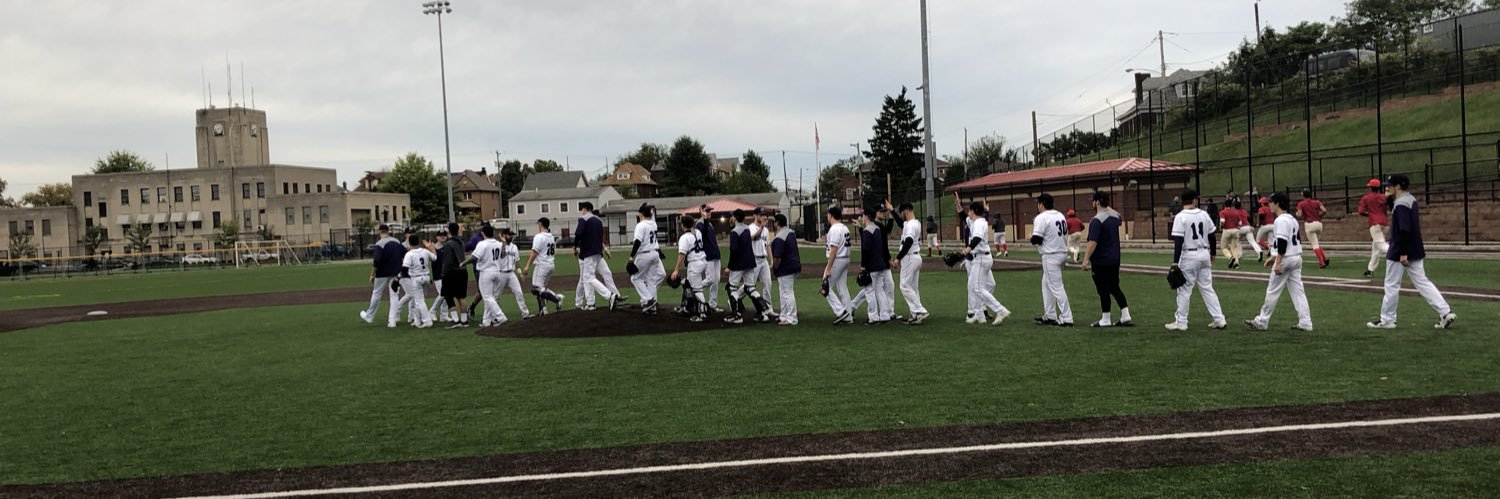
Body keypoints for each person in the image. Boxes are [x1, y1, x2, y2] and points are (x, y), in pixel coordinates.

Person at [1367, 175, 1457, 330]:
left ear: (1398, 187)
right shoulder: (1410, 200)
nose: (1387, 188)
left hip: (1400, 249)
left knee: (1391, 284)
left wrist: (1402, 252)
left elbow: (1403, 229)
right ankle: (1445, 311)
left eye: (1390, 185)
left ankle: (1387, 319)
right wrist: (1389, 200)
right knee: (1422, 282)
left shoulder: (1401, 204)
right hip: (1414, 248)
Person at [1243, 192, 1312, 331]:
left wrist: (1278, 261)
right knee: (1298, 291)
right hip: (1296, 257)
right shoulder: (1292, 219)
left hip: (1286, 258)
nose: (1269, 204)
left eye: (1271, 202)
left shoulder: (1280, 220)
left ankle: (1262, 321)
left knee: (1273, 290)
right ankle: (1305, 322)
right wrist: (1273, 257)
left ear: (1278, 203)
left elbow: (1282, 242)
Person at [1166, 189, 1227, 331]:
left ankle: (1181, 322)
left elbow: (1179, 241)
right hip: (1204, 253)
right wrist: (1213, 253)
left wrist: (1175, 261)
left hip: (1189, 255)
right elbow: (1212, 235)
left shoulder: (1180, 217)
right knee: (1207, 288)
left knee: (1184, 289)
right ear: (1193, 200)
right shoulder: (1204, 214)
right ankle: (1219, 319)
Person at [1081, 191, 1132, 328]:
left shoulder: (1096, 220)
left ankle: (1106, 318)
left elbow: (1093, 242)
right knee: (1114, 287)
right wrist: (1107, 206)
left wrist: (1086, 259)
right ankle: (1125, 314)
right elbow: (1119, 217)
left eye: (1094, 201)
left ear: (1097, 202)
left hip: (1101, 260)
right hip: (1115, 259)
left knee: (1102, 289)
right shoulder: (1114, 217)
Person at [962, 201, 1011, 325]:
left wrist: (968, 248)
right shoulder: (976, 221)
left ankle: (1000, 310)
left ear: (973, 211)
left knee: (977, 288)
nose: (968, 212)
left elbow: (977, 238)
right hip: (983, 257)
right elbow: (963, 217)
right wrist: (958, 205)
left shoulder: (978, 223)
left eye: (969, 210)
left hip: (981, 258)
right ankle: (980, 316)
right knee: (974, 287)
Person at [1031, 194, 1074, 327]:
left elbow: (1036, 239)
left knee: (1056, 287)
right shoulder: (1060, 215)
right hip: (1061, 253)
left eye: (1038, 203)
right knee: (1046, 283)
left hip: (1051, 255)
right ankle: (1050, 315)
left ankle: (1067, 318)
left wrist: (1030, 236)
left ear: (1042, 204)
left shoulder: (1041, 217)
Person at [724, 209, 773, 324]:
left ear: (735, 218)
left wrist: (730, 266)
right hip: (750, 262)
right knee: (750, 288)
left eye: (732, 216)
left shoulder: (735, 232)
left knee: (731, 287)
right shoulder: (747, 229)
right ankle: (762, 313)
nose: (731, 218)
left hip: (739, 264)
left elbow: (734, 250)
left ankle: (737, 315)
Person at [848, 208, 894, 324]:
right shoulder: (877, 229)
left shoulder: (868, 231)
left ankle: (873, 317)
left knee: (869, 291)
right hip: (881, 265)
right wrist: (859, 227)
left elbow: (865, 250)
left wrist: (863, 266)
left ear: (867, 216)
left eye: (863, 216)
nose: (862, 218)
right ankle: (884, 316)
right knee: (880, 291)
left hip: (872, 266)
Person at [573, 202, 622, 311]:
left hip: (588, 252)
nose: (582, 211)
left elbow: (578, 234)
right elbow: (600, 237)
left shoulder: (583, 219)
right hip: (598, 253)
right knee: (607, 273)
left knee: (588, 277)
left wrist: (574, 247)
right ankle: (592, 303)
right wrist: (604, 249)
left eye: (582, 209)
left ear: (585, 209)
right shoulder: (599, 221)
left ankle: (610, 296)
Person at [461, 225, 508, 327]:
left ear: (483, 233)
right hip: (497, 271)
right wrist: (503, 244)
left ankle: (500, 317)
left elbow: (474, 257)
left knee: (487, 297)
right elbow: (503, 255)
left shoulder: (482, 243)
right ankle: (486, 321)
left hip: (486, 272)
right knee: (489, 297)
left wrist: (463, 263)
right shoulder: (498, 243)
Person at [360, 224, 406, 328]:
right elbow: (405, 255)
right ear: (388, 231)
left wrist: (372, 274)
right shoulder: (397, 242)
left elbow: (376, 261)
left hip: (382, 274)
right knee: (394, 296)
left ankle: (369, 316)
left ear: (379, 232)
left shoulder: (379, 244)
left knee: (376, 293)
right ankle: (392, 321)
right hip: (396, 273)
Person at [669, 216, 710, 323]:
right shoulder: (698, 232)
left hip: (695, 264)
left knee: (697, 290)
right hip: (703, 261)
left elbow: (682, 254)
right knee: (686, 283)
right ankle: (687, 307)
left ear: (682, 225)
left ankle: (702, 313)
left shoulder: (684, 237)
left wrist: (676, 269)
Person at [893, 202, 929, 325]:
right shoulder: (913, 223)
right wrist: (891, 210)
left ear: (907, 210)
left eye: (902, 212)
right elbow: (900, 223)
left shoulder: (912, 225)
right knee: (913, 288)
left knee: (904, 285)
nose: (901, 214)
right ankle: (915, 316)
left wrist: (898, 258)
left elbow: (908, 242)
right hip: (914, 257)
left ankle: (920, 310)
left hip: (909, 258)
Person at [522, 217, 565, 316]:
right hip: (550, 265)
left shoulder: (539, 236)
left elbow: (534, 252)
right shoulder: (551, 236)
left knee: (535, 288)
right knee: (541, 289)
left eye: (538, 224)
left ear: (541, 225)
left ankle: (557, 298)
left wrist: (527, 266)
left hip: (542, 265)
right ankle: (543, 309)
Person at [629, 203, 666, 315]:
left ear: (641, 214)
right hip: (655, 254)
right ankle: (652, 308)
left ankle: (648, 299)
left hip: (644, 254)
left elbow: (638, 242)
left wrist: (631, 256)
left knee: (635, 278)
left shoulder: (641, 225)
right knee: (651, 280)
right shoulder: (653, 224)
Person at [394, 234, 436, 329]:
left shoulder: (410, 254)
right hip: (426, 277)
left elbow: (404, 269)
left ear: (409, 243)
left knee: (419, 301)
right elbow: (435, 258)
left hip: (416, 279)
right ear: (419, 242)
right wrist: (432, 249)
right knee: (421, 300)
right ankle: (417, 320)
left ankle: (427, 320)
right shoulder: (425, 251)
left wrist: (398, 278)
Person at [822, 207, 855, 325]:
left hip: (838, 259)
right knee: (842, 287)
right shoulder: (844, 227)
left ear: (831, 215)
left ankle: (841, 311)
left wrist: (829, 268)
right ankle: (848, 316)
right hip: (845, 259)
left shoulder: (835, 229)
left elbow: (834, 250)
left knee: (825, 287)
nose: (827, 216)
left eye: (828, 214)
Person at [436, 223, 471, 328]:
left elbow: (448, 262)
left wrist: (443, 273)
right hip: (463, 271)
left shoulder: (448, 244)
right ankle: (464, 320)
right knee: (462, 296)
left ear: (449, 231)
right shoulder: (461, 242)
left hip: (452, 272)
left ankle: (455, 320)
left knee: (448, 296)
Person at [769, 214, 801, 326]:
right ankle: (784, 315)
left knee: (787, 292)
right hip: (793, 265)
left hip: (785, 268)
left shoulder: (779, 237)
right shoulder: (790, 233)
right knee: (783, 292)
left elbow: (777, 257)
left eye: (774, 222)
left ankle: (792, 318)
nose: (773, 224)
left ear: (777, 223)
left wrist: (774, 267)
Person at [492, 228, 531, 319]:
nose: (511, 237)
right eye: (509, 235)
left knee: (519, 293)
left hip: (511, 274)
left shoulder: (514, 247)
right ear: (504, 235)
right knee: (496, 296)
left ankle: (525, 314)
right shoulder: (498, 246)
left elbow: (516, 263)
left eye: (511, 235)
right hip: (500, 274)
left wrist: (520, 273)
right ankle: (493, 317)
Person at [1357, 179, 1391, 278]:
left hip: (1374, 223)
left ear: (1370, 188)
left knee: (1381, 245)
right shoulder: (1383, 197)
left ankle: (1396, 253)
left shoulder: (1366, 198)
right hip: (1385, 223)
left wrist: (1369, 214)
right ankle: (1370, 269)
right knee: (1375, 247)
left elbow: (1361, 211)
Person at [696, 204, 723, 312]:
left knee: (716, 280)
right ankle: (694, 288)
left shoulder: (709, 224)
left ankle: (712, 304)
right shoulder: (700, 224)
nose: (709, 212)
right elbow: (702, 235)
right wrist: (705, 218)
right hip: (708, 256)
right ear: (701, 212)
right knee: (710, 279)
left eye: (709, 210)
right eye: (707, 211)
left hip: (715, 254)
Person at [750, 208, 776, 316]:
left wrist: (771, 260)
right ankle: (735, 298)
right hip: (754, 259)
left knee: (768, 283)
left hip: (763, 259)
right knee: (750, 285)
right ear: (755, 216)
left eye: (763, 215)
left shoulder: (765, 230)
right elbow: (754, 237)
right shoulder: (751, 228)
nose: (762, 217)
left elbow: (768, 245)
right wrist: (761, 227)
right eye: (760, 215)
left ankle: (768, 308)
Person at [1297, 189, 1330, 269]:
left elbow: (1299, 214)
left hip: (1309, 224)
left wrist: (1297, 213)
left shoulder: (1301, 203)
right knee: (1317, 244)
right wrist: (1320, 216)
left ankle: (1321, 262)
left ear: (1303, 195)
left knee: (1315, 245)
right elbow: (1324, 210)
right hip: (1319, 223)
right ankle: (1324, 258)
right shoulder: (1317, 202)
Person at [1254, 197, 1275, 262]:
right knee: (1270, 241)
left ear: (1262, 203)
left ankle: (1268, 248)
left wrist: (1259, 223)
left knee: (1258, 240)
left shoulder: (1261, 208)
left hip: (1265, 226)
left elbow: (1262, 216)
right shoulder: (1270, 208)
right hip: (1273, 225)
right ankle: (1271, 254)